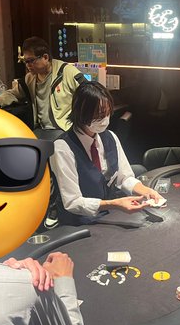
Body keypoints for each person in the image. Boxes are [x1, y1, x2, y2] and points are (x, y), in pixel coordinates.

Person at [52, 81, 163, 225]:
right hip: (79, 222)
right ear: (81, 113)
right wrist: (114, 204)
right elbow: (72, 202)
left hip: (108, 215)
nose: (105, 120)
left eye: (108, 113)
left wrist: (145, 191)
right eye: (99, 115)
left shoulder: (110, 137)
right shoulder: (63, 148)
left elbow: (123, 178)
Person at [0, 36, 86, 141]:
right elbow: (14, 93)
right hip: (40, 129)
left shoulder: (66, 72)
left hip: (64, 128)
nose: (28, 65)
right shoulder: (30, 78)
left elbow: (89, 92)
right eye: (25, 61)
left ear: (45, 57)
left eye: (31, 61)